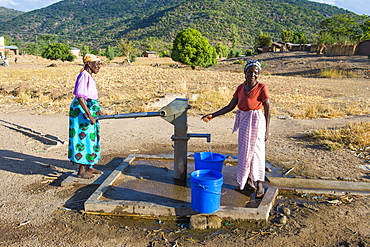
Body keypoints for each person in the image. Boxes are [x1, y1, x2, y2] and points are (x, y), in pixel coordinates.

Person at [201, 60, 271, 198]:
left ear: (259, 74)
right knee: (245, 153)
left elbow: (268, 108)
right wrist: (213, 115)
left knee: (256, 153)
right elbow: (230, 106)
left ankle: (260, 185)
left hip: (256, 121)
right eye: (250, 72)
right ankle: (248, 182)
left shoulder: (262, 87)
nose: (253, 74)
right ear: (245, 73)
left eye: (256, 72)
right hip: (244, 122)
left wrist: (267, 130)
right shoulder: (240, 88)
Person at [68, 54, 104, 179]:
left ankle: (89, 166)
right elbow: (80, 96)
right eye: (96, 64)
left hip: (88, 110)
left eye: (99, 64)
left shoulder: (89, 76)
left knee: (92, 138)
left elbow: (91, 97)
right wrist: (89, 115)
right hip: (81, 111)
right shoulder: (83, 76)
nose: (98, 67)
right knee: (83, 139)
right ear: (89, 64)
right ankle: (81, 171)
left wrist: (97, 110)